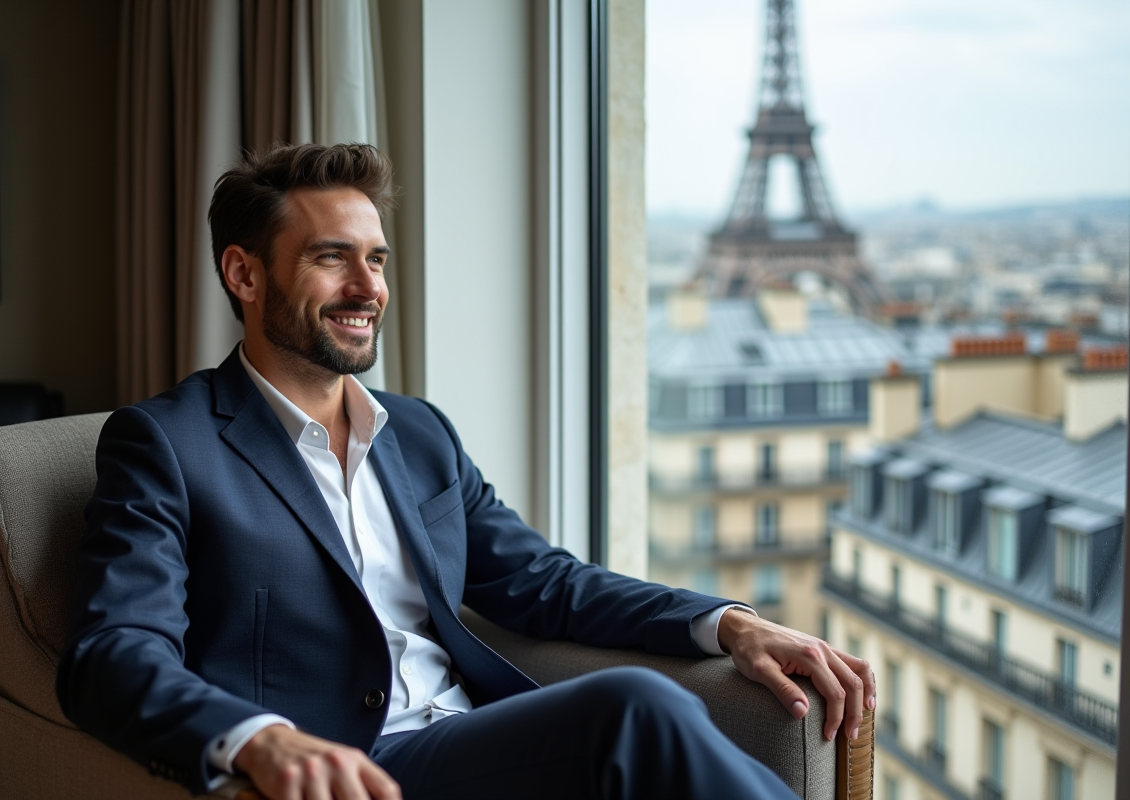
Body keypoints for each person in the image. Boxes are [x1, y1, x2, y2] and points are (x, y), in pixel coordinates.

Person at [57, 143, 875, 800]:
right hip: (347, 768)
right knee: (637, 706)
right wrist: (258, 740)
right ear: (244, 273)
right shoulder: (165, 442)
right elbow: (114, 652)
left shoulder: (417, 432)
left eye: (376, 260)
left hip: (475, 742)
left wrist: (727, 622)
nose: (366, 287)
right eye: (331, 259)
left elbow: (547, 582)